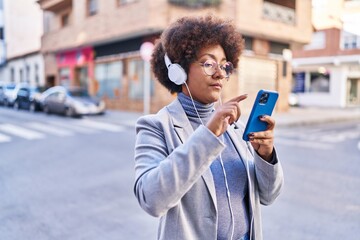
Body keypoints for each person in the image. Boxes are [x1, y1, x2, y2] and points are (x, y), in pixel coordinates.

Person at [133, 15, 284, 240]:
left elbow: (268, 195)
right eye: (208, 63)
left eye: (224, 65)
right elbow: (152, 199)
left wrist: (266, 155)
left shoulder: (233, 126)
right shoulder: (155, 127)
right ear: (179, 71)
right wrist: (208, 135)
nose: (220, 73)